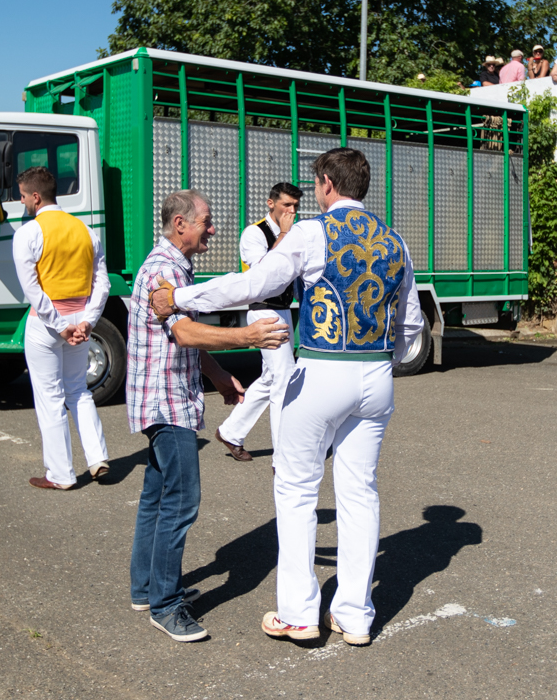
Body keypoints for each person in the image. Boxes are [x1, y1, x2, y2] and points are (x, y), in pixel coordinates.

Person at [149, 148, 426, 647]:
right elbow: (409, 325)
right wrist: (383, 357)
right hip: (377, 374)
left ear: (326, 183)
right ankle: (355, 616)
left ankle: (299, 613)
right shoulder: (395, 240)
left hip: (323, 369)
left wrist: (182, 298)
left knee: (297, 490)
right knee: (360, 492)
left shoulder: (313, 232)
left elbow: (253, 284)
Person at [127, 189, 289, 642]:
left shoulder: (175, 266)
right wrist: (248, 337)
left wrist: (217, 375)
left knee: (157, 496)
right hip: (166, 402)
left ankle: (147, 589)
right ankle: (165, 604)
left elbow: (181, 339)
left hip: (165, 396)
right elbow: (185, 331)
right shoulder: (163, 270)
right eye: (206, 222)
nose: (213, 230)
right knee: (182, 501)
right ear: (180, 224)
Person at [12, 166, 110, 490]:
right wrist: (86, 322)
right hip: (80, 318)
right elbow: (102, 284)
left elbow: (32, 289)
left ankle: (60, 475)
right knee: (78, 390)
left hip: (46, 325)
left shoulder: (28, 232)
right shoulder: (86, 230)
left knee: (50, 397)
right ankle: (98, 458)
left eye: (23, 196)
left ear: (36, 196)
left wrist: (60, 326)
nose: (22, 202)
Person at [213, 182, 303, 462]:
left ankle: (231, 432)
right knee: (284, 378)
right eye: (286, 205)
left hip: (283, 309)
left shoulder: (293, 231)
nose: (291, 211)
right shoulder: (254, 233)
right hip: (263, 310)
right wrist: (285, 235)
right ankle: (284, 454)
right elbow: (264, 271)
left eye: (295, 206)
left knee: (270, 378)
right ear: (271, 203)